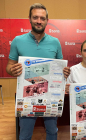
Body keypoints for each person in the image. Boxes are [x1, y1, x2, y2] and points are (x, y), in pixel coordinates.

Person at [6, 3, 70, 140]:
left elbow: (60, 68)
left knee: (52, 132)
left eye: (42, 18)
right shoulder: (18, 41)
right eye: (35, 17)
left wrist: (64, 73)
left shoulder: (55, 42)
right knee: (24, 134)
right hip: (27, 96)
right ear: (29, 18)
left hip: (51, 96)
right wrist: (13, 70)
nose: (39, 21)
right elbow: (9, 66)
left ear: (47, 20)